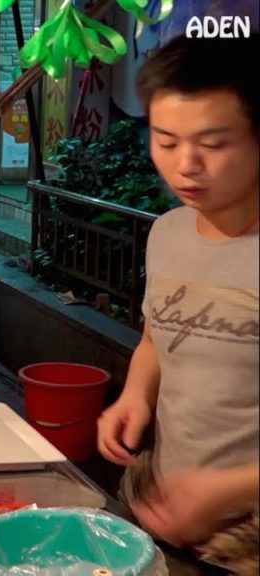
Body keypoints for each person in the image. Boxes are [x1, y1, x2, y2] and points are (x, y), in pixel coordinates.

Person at [96, 35, 259, 555]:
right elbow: (157, 339)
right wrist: (135, 395)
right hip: (159, 507)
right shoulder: (168, 232)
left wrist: (225, 491)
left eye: (213, 144)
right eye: (166, 142)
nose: (186, 164)